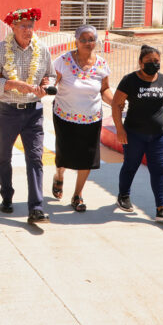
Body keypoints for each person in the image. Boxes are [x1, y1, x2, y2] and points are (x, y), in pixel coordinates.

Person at [0, 8, 55, 224]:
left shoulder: (42, 49)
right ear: (13, 27)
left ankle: (35, 208)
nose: (28, 30)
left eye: (31, 26)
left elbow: (50, 75)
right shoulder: (0, 50)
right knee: (4, 155)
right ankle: (6, 195)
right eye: (23, 26)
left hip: (34, 112)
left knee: (35, 157)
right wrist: (11, 84)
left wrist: (47, 85)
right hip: (8, 110)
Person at [112, 45, 163, 221]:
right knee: (131, 165)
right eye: (149, 62)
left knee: (159, 170)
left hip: (159, 134)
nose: (153, 65)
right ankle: (123, 196)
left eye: (156, 62)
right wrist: (119, 129)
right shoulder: (130, 80)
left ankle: (162, 208)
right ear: (140, 63)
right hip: (134, 133)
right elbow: (116, 104)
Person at [51, 25, 113, 212]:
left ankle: (77, 195)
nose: (87, 43)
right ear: (76, 41)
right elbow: (52, 81)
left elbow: (104, 89)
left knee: (87, 158)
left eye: (91, 39)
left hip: (92, 118)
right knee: (64, 155)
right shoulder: (62, 61)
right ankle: (59, 176)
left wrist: (115, 102)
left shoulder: (101, 64)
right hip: (64, 116)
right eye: (83, 39)